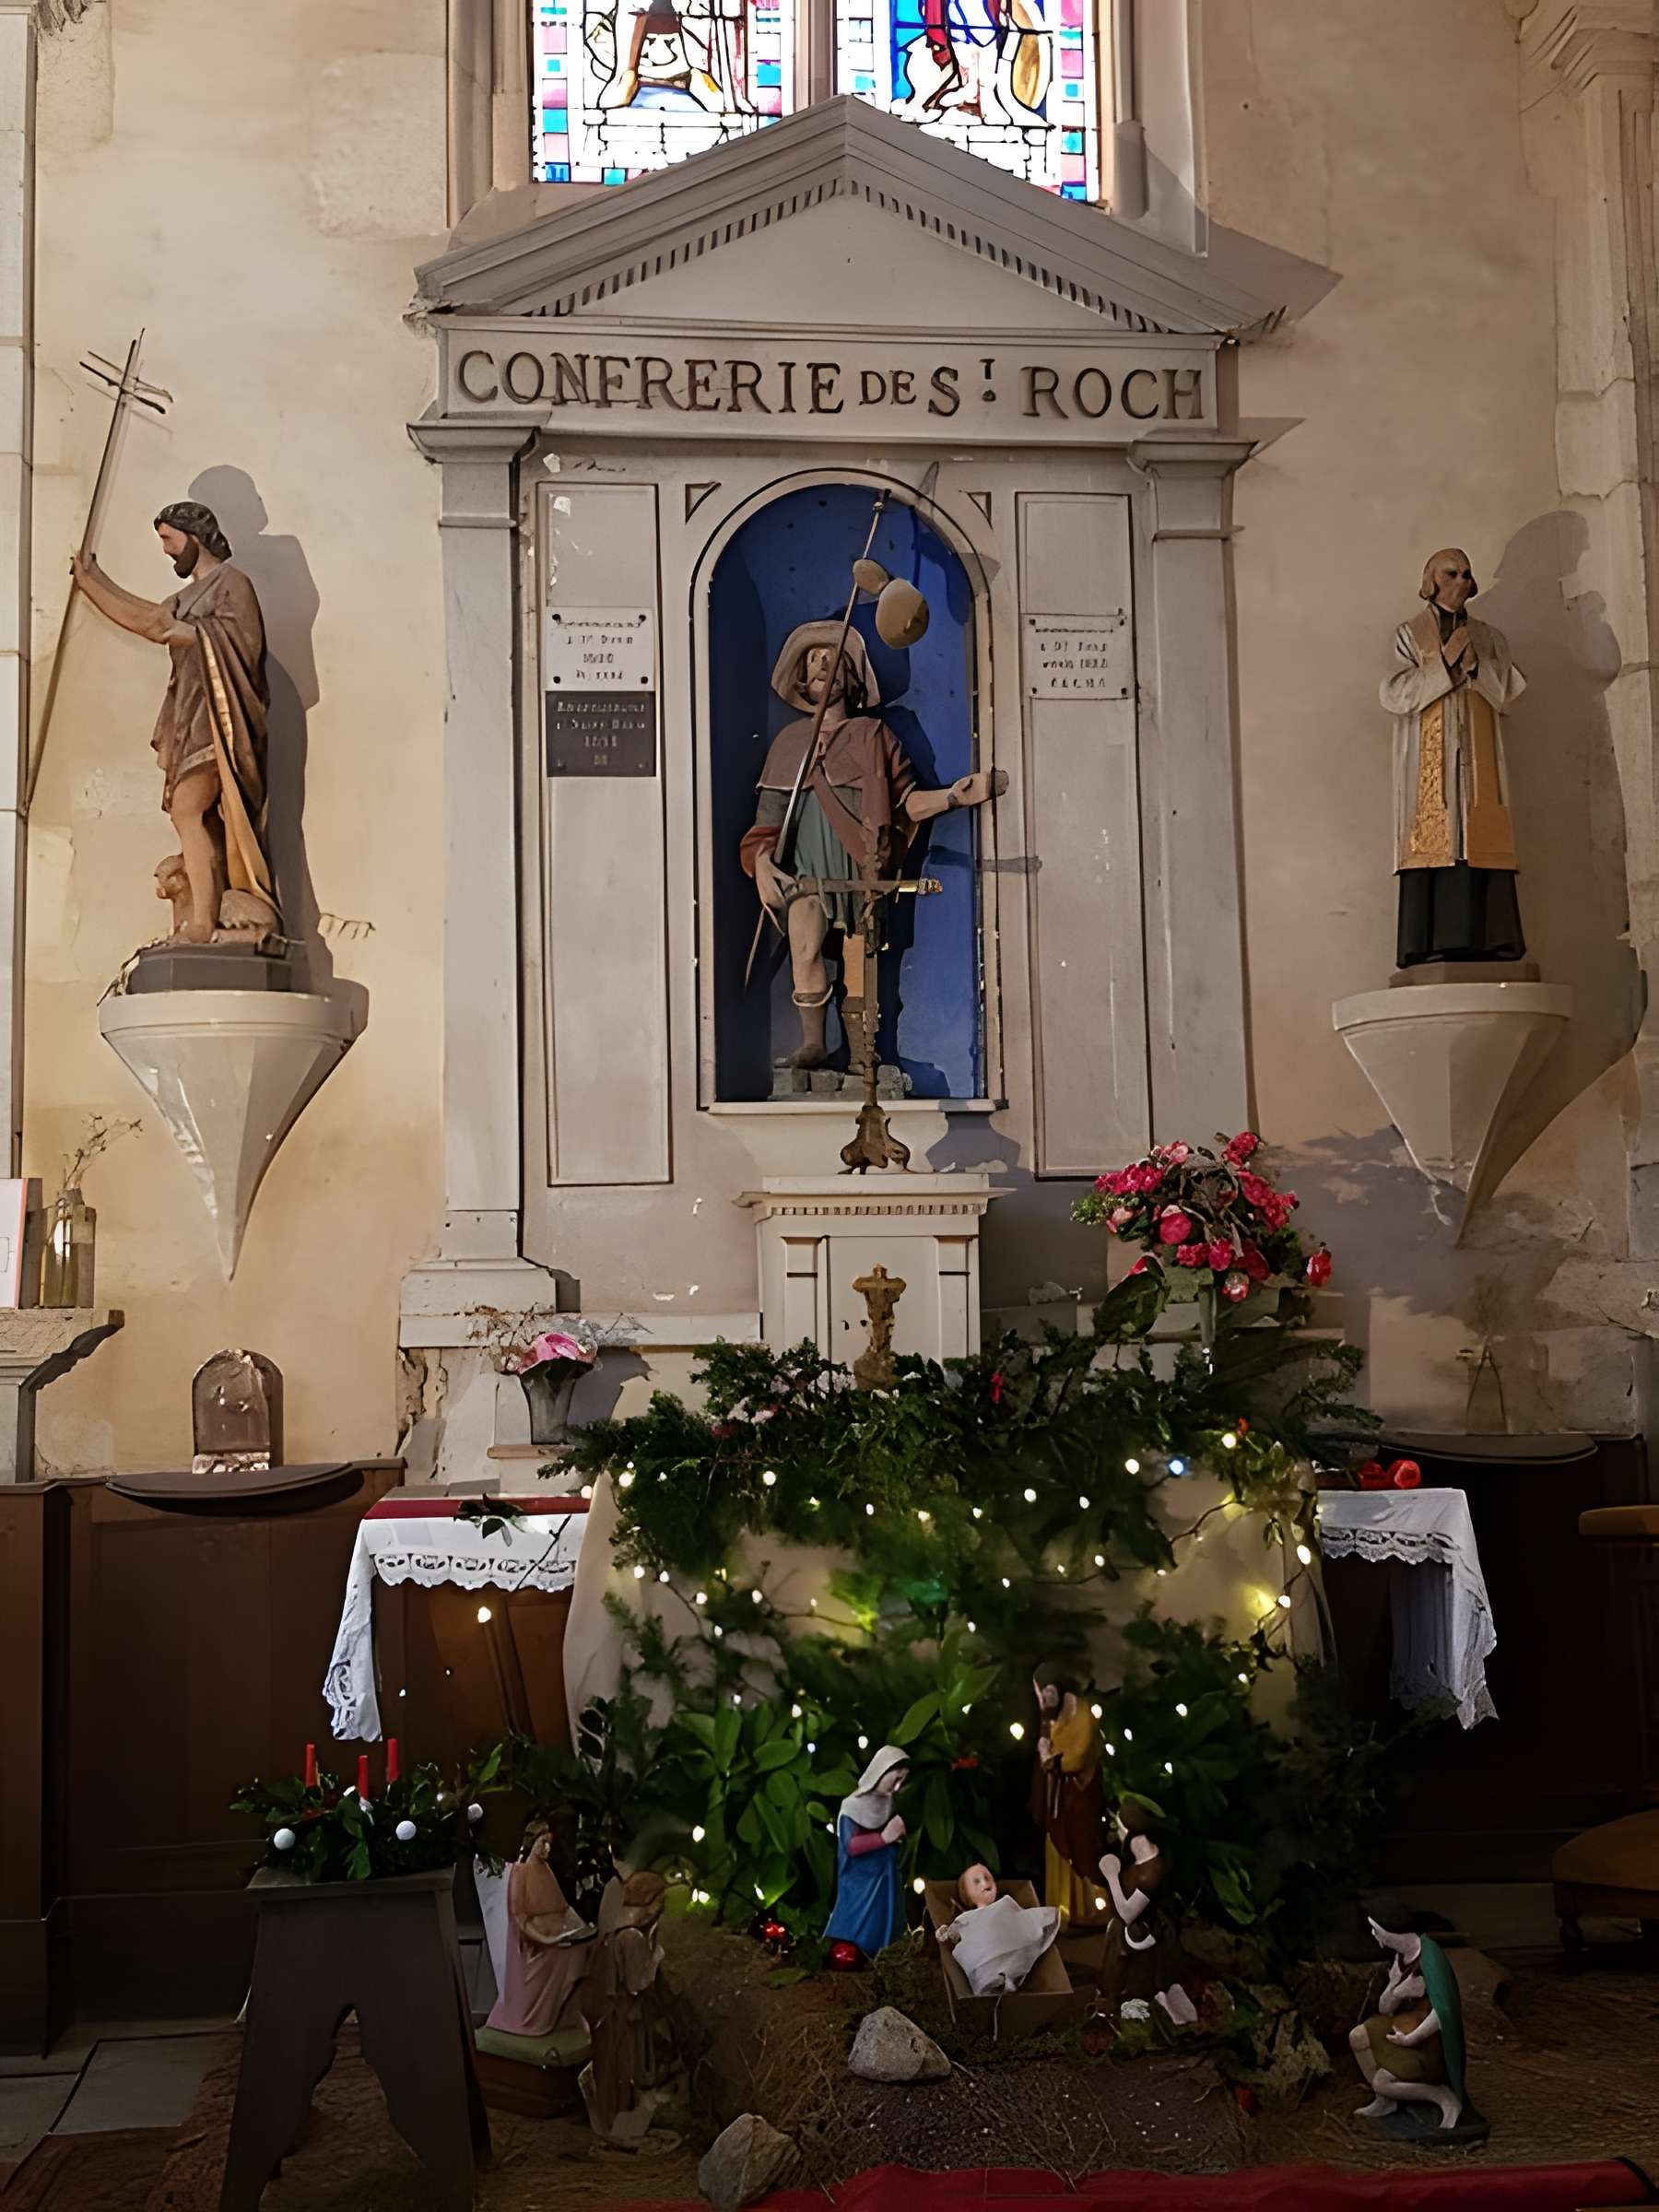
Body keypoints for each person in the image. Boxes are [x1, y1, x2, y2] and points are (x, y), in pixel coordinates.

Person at [740, 625, 1000, 1069]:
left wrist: (955, 796)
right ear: (801, 677)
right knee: (804, 950)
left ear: (851, 675)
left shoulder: (873, 736)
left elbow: (905, 804)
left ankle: (864, 1053)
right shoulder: (789, 744)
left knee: (860, 958)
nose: (823, 663)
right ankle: (814, 1044)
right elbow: (767, 822)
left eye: (833, 656)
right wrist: (763, 867)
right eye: (813, 658)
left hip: (861, 866)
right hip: (807, 870)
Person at [70, 500, 279, 948]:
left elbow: (237, 643)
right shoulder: (186, 598)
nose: (166, 551)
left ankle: (202, 923)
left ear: (193, 536)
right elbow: (150, 620)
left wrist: (191, 633)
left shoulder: (233, 584)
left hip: (221, 725)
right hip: (191, 720)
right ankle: (202, 917)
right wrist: (92, 581)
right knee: (191, 816)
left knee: (187, 809)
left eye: (169, 539)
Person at [1382, 547, 1526, 969]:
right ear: (1431, 580)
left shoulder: (1490, 636)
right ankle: (1426, 942)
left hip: (1478, 758)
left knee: (1480, 835)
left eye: (1466, 574)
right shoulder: (1408, 634)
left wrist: (1476, 665)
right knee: (1434, 836)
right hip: (1429, 759)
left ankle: (1491, 940)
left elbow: (1507, 692)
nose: (1462, 581)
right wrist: (1444, 662)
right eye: (1451, 574)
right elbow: (1394, 693)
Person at [1348, 1914, 1476, 2134]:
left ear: (1392, 1932)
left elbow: (1443, 2011)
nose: (1374, 1936)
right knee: (1358, 2036)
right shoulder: (1400, 1958)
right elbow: (1384, 2008)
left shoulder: (1430, 1959)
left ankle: (1440, 2095)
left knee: (1381, 2080)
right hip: (1401, 2026)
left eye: (1376, 1930)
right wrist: (1396, 1989)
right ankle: (1386, 2099)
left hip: (1426, 2041)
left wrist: (1412, 2038)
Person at [579, 1870, 669, 2145]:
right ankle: (618, 2127)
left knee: (615, 2066)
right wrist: (656, 1958)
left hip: (613, 2014)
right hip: (619, 2016)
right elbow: (637, 1983)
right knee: (621, 2068)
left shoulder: (616, 1928)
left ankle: (616, 2121)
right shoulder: (631, 1937)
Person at [483, 1818, 593, 2040]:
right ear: (531, 1842)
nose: (547, 1848)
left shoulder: (546, 1870)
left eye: (549, 1843)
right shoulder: (520, 1872)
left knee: (586, 1949)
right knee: (565, 1956)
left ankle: (566, 2014)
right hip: (534, 1945)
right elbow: (519, 1917)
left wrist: (581, 1928)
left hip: (558, 1935)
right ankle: (542, 2017)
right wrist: (546, 1939)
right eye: (543, 1842)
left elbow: (563, 1908)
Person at [1097, 1796, 1198, 2025]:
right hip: (1131, 1928)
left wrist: (1112, 1877)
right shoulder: (1139, 1864)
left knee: (1124, 1949)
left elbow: (1127, 1913)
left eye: (1120, 1828)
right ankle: (1112, 1994)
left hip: (1145, 1930)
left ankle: (1122, 2000)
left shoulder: (1149, 1873)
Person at [1030, 1664, 1107, 1924]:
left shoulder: (1082, 1713)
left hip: (1079, 1795)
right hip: (1057, 1796)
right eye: (1040, 1694)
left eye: (1047, 1694)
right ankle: (1061, 1909)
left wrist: (1049, 1759)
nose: (1043, 1701)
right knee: (1056, 1845)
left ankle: (1086, 1910)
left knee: (1080, 1847)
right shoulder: (1050, 1714)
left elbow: (1079, 1757)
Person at [824, 1744, 909, 1960]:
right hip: (861, 1876)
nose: (897, 1787)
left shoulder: (887, 1801)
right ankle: (852, 1951)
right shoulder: (852, 1806)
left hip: (884, 1874)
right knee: (859, 1918)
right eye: (894, 1780)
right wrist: (884, 1838)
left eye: (901, 1781)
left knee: (885, 1917)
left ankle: (883, 1953)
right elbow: (850, 1845)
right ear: (880, 1772)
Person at [936, 1862, 1060, 1996]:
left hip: (1009, 1946)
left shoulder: (1005, 1904)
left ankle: (1007, 1979)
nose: (984, 1883)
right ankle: (992, 1980)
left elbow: (1016, 1920)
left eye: (988, 1878)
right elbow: (954, 1934)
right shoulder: (968, 1917)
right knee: (980, 1961)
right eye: (976, 1882)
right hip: (984, 1953)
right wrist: (946, 1933)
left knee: (1015, 1957)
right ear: (967, 1894)